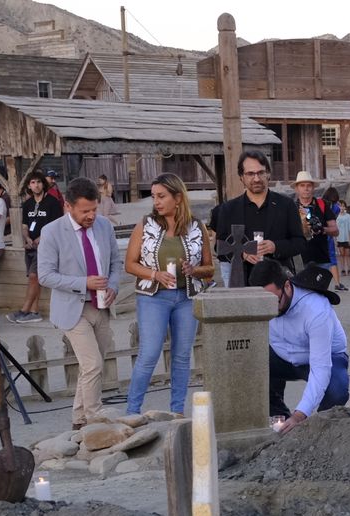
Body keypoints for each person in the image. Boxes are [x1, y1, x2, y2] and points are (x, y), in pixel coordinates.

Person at [123, 173, 213, 416]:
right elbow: (130, 264)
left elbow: (210, 268)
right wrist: (155, 274)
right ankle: (132, 412)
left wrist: (194, 270)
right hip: (153, 297)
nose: (156, 202)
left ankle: (177, 412)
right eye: (153, 197)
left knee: (182, 357)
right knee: (149, 354)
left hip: (186, 297)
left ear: (177, 197)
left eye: (161, 196)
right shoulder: (145, 224)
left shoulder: (197, 226)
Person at [38, 177, 121, 429]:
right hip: (73, 308)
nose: (91, 215)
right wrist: (83, 282)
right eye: (85, 211)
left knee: (91, 367)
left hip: (102, 305)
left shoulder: (104, 226)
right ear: (68, 206)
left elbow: (115, 263)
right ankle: (94, 417)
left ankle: (78, 419)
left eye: (94, 209)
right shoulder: (51, 231)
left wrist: (114, 286)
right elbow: (45, 275)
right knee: (92, 364)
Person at [250, 260, 349, 431]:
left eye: (273, 302)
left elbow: (320, 368)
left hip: (326, 357)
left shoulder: (316, 309)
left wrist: (300, 414)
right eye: (262, 303)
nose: (268, 309)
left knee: (337, 389)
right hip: (283, 357)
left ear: (287, 286)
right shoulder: (263, 301)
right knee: (250, 365)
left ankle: (319, 430)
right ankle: (280, 422)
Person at [209, 150, 303, 286]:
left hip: (278, 283)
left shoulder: (286, 205)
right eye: (250, 174)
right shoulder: (228, 209)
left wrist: (275, 246)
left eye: (261, 172)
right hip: (243, 282)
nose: (256, 178)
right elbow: (220, 248)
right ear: (241, 177)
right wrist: (242, 254)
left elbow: (299, 242)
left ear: (268, 174)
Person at [12, 170, 62, 323]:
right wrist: (26, 237)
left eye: (39, 182)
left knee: (35, 276)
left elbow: (56, 225)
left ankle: (24, 310)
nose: (36, 185)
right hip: (31, 245)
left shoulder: (53, 202)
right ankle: (35, 312)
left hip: (46, 246)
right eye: (33, 182)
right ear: (29, 185)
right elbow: (25, 224)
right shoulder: (28, 204)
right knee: (34, 278)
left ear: (44, 184)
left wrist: (42, 238)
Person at [293, 171, 337, 290]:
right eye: (302, 185)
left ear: (313, 188)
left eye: (308, 185)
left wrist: (323, 229)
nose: (306, 189)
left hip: (321, 258)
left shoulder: (322, 205)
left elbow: (335, 230)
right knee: (301, 294)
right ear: (297, 189)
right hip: (299, 259)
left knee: (321, 294)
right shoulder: (291, 207)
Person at [335, 202, 350, 277]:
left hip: (347, 238)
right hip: (339, 238)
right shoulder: (336, 217)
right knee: (341, 254)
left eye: (343, 206)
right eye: (340, 206)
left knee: (348, 254)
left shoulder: (348, 216)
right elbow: (335, 229)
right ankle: (342, 269)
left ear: (345, 207)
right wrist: (335, 240)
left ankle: (349, 269)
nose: (341, 208)